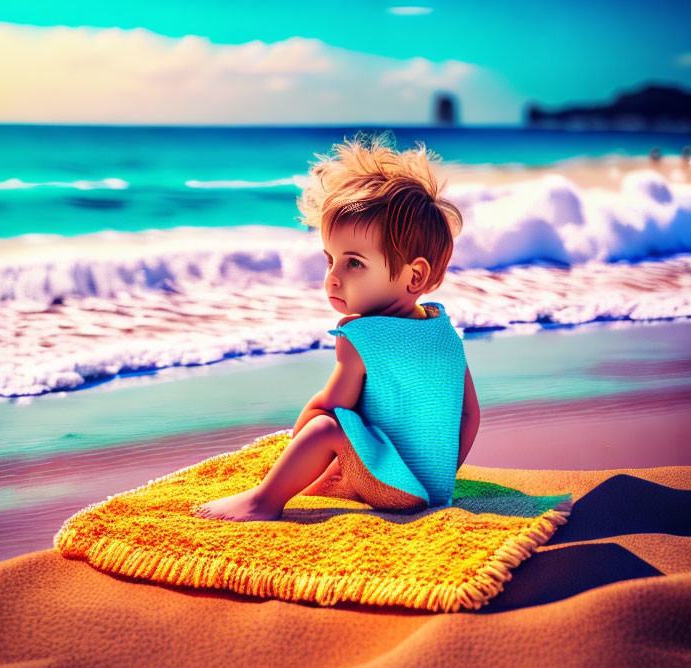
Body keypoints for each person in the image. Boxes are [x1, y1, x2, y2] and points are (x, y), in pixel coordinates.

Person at [194, 131, 480, 522]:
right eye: (330, 259)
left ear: (415, 277)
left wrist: (303, 434)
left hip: (395, 489)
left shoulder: (360, 338)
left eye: (354, 263)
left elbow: (330, 409)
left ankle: (263, 501)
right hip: (434, 487)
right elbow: (468, 417)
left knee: (325, 428)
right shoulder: (444, 331)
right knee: (356, 429)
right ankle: (373, 478)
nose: (332, 277)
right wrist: (438, 484)